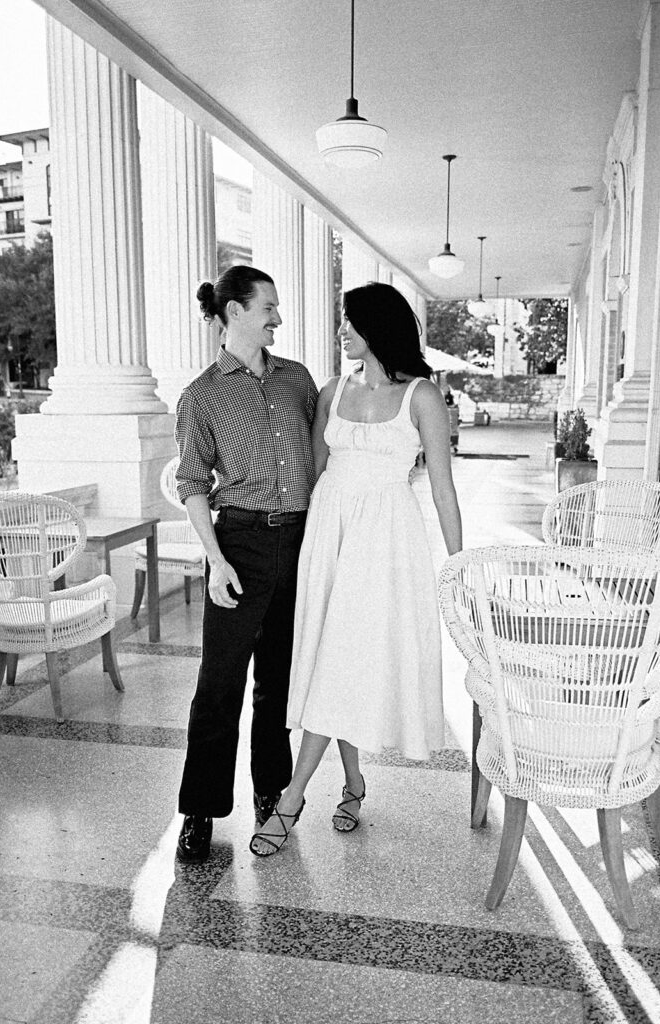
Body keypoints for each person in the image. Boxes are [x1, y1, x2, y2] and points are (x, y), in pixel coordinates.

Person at [249, 281, 463, 856]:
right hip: (329, 532)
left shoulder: (422, 396)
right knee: (331, 655)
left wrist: (460, 566)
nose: (341, 330)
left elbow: (442, 488)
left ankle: (290, 799)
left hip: (387, 541)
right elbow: (312, 470)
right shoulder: (330, 390)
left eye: (350, 322)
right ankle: (353, 783)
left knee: (342, 657)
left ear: (377, 327)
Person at [175, 264, 318, 863]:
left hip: (302, 540)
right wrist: (216, 560)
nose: (278, 319)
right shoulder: (202, 395)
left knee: (280, 681)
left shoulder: (298, 380)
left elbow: (324, 453)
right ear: (235, 312)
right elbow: (192, 484)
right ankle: (200, 811)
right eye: (268, 309)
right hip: (239, 543)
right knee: (220, 684)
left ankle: (269, 792)